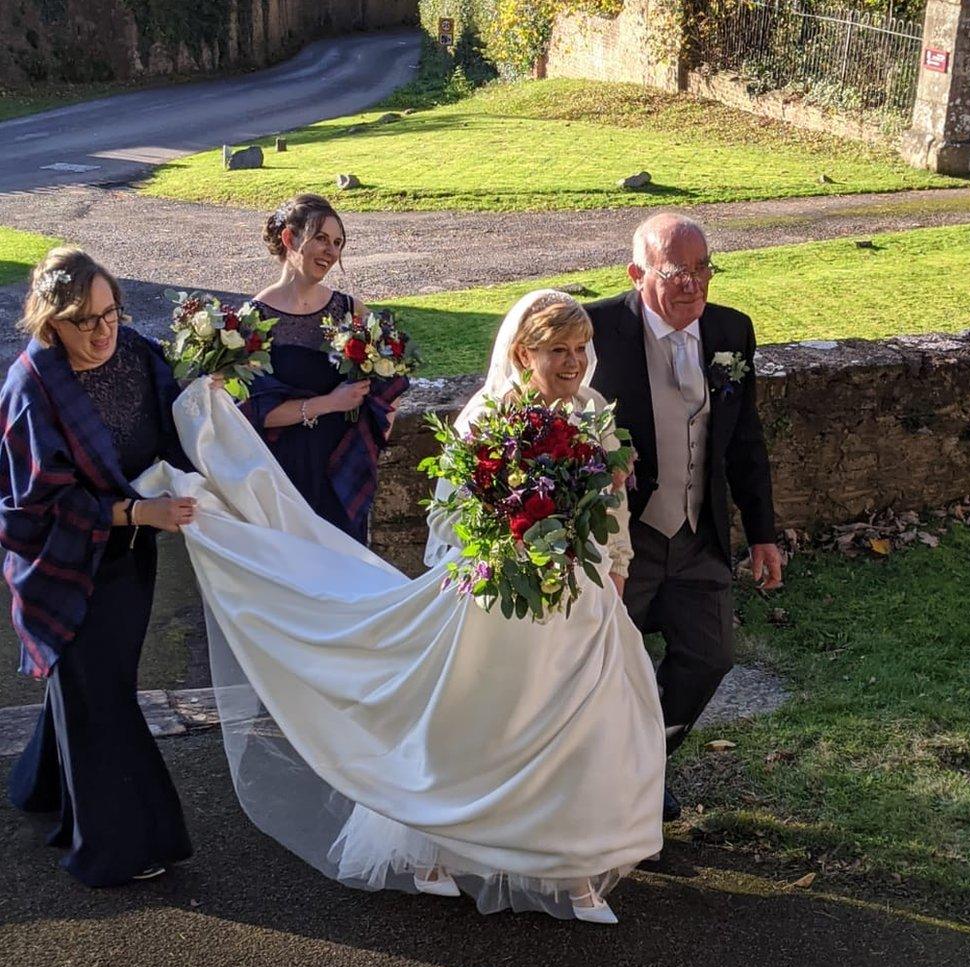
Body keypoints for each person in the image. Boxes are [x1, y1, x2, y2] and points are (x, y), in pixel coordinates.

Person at [140, 290, 666, 924]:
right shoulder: (487, 417)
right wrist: (510, 548)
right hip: (500, 597)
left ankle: (576, 872)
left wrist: (615, 568)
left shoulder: (592, 413)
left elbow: (610, 511)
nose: (574, 363)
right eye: (559, 351)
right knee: (479, 728)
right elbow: (451, 518)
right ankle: (434, 851)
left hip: (581, 600)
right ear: (526, 353)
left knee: (589, 728)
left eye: (581, 350)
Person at [0, 248, 196, 886]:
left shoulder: (137, 354)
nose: (104, 330)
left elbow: (176, 425)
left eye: (112, 313)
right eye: (86, 321)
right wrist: (139, 515)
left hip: (128, 557)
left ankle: (40, 786)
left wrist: (211, 399)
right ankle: (120, 846)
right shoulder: (32, 387)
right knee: (104, 694)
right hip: (60, 562)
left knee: (90, 685)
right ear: (51, 322)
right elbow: (37, 507)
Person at [587, 213, 782, 823]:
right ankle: (591, 786)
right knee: (602, 666)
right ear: (637, 273)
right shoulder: (593, 331)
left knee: (709, 656)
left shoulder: (730, 332)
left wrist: (763, 533)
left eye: (704, 269)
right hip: (624, 536)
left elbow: (744, 437)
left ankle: (648, 764)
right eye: (677, 272)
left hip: (699, 535)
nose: (694, 285)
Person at [243, 193, 405, 544]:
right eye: (320, 238)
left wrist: (371, 442)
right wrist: (329, 403)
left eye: (338, 243)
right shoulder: (253, 320)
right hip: (281, 477)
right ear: (290, 239)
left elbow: (391, 378)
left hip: (341, 472)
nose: (331, 252)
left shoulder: (350, 309)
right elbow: (254, 413)